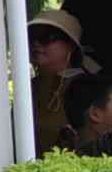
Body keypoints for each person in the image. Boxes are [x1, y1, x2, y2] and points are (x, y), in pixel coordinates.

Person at [28, 8, 96, 153]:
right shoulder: (28, 88)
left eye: (47, 37)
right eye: (31, 37)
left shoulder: (90, 89)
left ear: (70, 45)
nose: (36, 43)